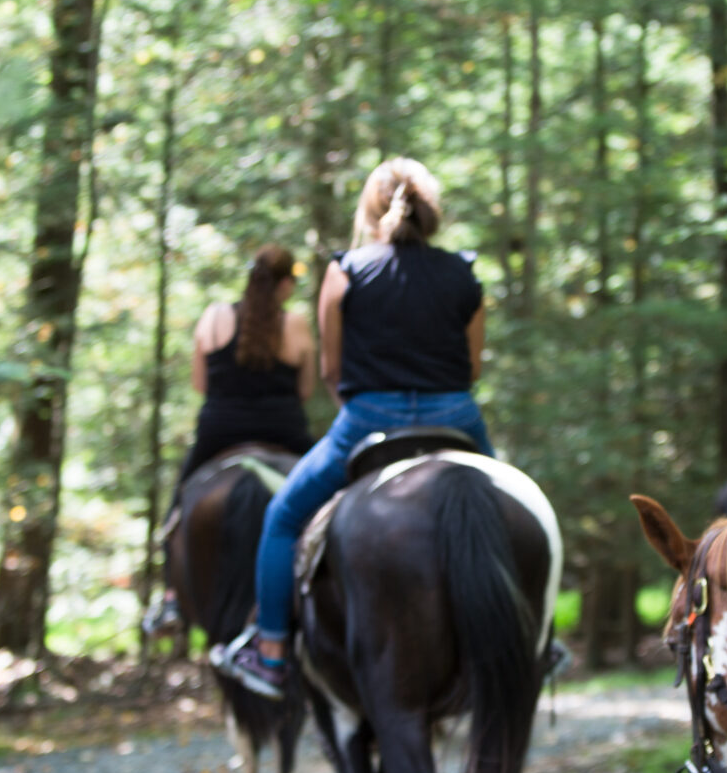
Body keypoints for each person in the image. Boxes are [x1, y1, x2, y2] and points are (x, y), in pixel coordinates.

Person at [213, 157, 492, 699]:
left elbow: (331, 370)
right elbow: (474, 368)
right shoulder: (465, 273)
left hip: (368, 420)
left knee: (283, 518)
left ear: (369, 210)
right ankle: (537, 639)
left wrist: (369, 399)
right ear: (432, 212)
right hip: (455, 415)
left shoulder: (345, 271)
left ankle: (271, 653)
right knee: (513, 513)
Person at [177, 244, 317, 486]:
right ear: (285, 283)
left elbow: (199, 385)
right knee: (327, 494)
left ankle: (169, 522)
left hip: (218, 430)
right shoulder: (296, 324)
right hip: (284, 430)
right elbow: (304, 392)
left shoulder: (214, 315)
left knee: (181, 496)